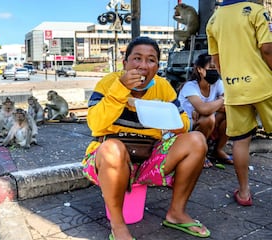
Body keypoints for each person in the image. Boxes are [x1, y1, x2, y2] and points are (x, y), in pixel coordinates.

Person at [82, 36, 210, 240]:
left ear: (157, 66)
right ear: (125, 63)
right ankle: (118, 225)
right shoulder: (108, 83)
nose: (143, 66)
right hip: (110, 157)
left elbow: (184, 122)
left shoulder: (163, 86)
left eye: (151, 60)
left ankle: (176, 213)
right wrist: (120, 90)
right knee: (112, 149)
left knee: (196, 140)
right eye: (137, 58)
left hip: (150, 157)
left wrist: (169, 119)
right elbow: (95, 125)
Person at [206, 0, 272, 206]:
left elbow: (216, 61)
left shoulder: (213, 20)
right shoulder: (256, 11)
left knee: (241, 141)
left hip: (234, 88)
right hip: (264, 85)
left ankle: (244, 193)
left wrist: (232, 79)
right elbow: (268, 49)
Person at [178, 53, 232, 168]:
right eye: (212, 67)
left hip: (206, 124)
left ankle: (218, 150)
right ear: (200, 70)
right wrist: (222, 99)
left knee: (231, 115)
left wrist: (207, 108)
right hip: (188, 127)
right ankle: (201, 153)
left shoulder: (218, 84)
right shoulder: (190, 87)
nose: (215, 70)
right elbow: (204, 110)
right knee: (208, 118)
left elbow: (230, 106)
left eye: (217, 67)